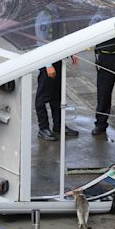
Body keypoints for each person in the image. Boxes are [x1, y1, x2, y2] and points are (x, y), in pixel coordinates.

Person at [34, 9, 79, 141]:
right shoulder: (44, 15)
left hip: (58, 59)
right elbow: (40, 41)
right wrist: (48, 65)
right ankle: (43, 128)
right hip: (47, 61)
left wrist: (72, 52)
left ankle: (58, 125)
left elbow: (63, 36)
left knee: (57, 96)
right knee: (42, 97)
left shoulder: (58, 12)